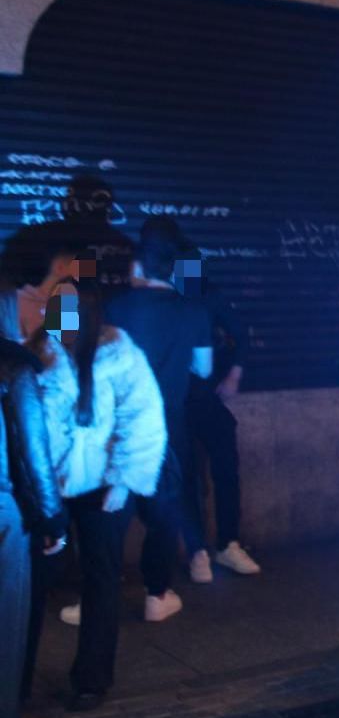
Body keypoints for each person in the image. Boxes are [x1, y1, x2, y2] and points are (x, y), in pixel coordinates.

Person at [27, 279, 165, 712]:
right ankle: (17, 674)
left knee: (101, 579)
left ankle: (92, 679)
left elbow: (143, 418)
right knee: (33, 579)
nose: (57, 316)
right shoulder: (37, 353)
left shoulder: (118, 352)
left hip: (103, 486)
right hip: (48, 487)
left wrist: (124, 480)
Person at [101, 220, 210, 609]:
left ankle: (98, 595)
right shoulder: (193, 308)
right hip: (169, 425)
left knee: (112, 510)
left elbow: (95, 360)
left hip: (118, 425)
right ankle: (157, 594)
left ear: (137, 265)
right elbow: (204, 369)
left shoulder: (114, 305)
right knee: (164, 509)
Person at [178, 245, 259, 575]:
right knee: (187, 477)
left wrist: (233, 376)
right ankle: (197, 550)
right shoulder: (165, 299)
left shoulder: (208, 298)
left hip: (204, 396)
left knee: (223, 468)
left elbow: (240, 335)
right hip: (176, 399)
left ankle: (227, 543)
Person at [0, 337, 62, 718]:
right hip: (4, 512)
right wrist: (51, 517)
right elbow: (33, 449)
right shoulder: (13, 365)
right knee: (6, 626)